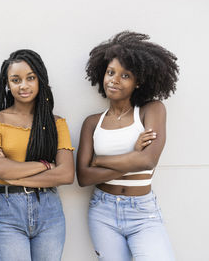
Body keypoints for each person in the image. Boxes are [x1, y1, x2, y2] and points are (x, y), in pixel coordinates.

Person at [76, 31, 179, 261]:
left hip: (143, 213)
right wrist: (132, 157)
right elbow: (83, 176)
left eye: (125, 75)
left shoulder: (150, 110)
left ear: (138, 82)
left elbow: (148, 160)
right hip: (103, 211)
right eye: (111, 72)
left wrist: (100, 161)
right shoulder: (93, 122)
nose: (114, 79)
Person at [0, 49, 75, 261]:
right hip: (8, 211)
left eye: (30, 78)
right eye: (16, 80)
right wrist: (45, 165)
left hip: (50, 212)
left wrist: (11, 172)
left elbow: (67, 174)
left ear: (40, 79)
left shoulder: (56, 123)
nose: (23, 85)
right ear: (8, 84)